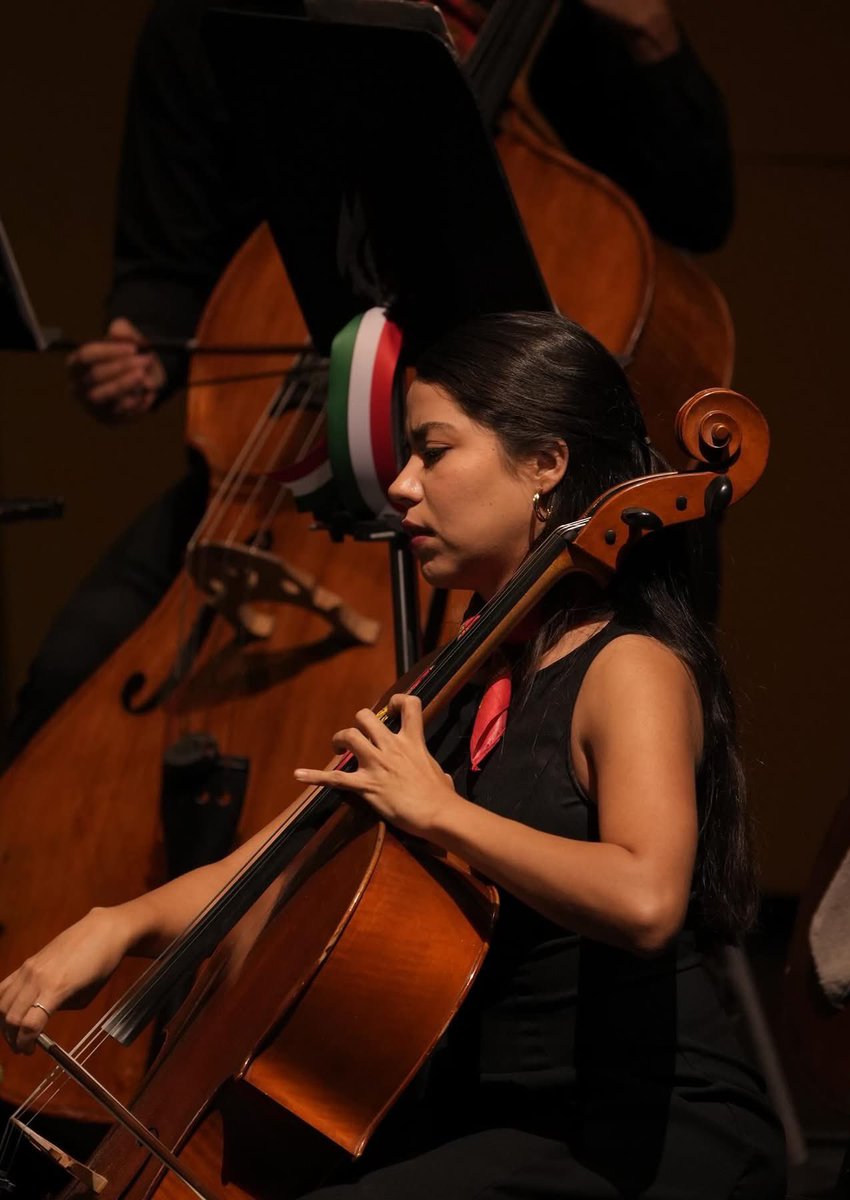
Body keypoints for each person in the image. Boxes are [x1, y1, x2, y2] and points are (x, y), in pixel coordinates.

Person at [1, 313, 786, 1197]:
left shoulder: (628, 667)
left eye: (434, 450)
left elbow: (645, 897)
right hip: (478, 1116)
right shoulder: (455, 677)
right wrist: (120, 924)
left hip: (636, 1132)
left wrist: (442, 811)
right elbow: (281, 859)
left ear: (546, 466)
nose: (402, 486)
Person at [2, 0, 734, 763]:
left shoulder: (572, 39)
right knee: (66, 678)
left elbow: (702, 206)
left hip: (517, 490)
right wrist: (144, 337)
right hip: (286, 456)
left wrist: (650, 31)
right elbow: (167, 255)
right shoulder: (214, 20)